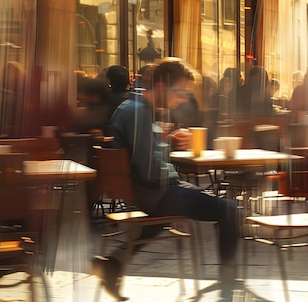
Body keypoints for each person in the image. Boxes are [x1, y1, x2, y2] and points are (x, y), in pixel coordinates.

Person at [92, 59, 239, 300]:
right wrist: (174, 180)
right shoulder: (138, 112)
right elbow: (149, 171)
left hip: (144, 192)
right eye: (180, 92)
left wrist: (165, 143)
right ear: (161, 85)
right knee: (231, 211)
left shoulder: (133, 109)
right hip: (156, 192)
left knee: (158, 220)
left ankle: (113, 265)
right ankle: (228, 285)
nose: (181, 99)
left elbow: (139, 155)